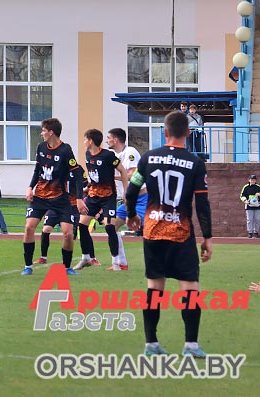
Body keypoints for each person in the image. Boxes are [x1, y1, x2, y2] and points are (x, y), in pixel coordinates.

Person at [125, 110, 213, 358]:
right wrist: (207, 237)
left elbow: (131, 191)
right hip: (181, 233)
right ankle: (191, 345)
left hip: (153, 231)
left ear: (164, 132)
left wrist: (131, 215)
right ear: (188, 132)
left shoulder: (148, 158)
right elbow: (202, 204)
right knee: (190, 288)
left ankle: (151, 343)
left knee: (154, 287)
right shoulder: (196, 163)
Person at [21, 118, 86, 276]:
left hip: (60, 199)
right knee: (29, 227)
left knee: (68, 234)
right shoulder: (41, 147)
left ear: (51, 132)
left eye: (43, 130)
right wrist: (30, 188)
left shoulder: (65, 150)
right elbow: (37, 170)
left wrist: (78, 199)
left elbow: (78, 175)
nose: (41, 133)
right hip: (40, 197)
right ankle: (28, 266)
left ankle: (67, 267)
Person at [73, 129, 129, 272]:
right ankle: (86, 258)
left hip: (108, 197)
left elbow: (123, 171)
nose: (83, 142)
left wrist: (125, 191)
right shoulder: (87, 154)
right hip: (93, 197)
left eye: (85, 139)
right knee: (82, 225)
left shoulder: (108, 155)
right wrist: (88, 188)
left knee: (109, 227)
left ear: (91, 141)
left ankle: (116, 263)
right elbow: (94, 175)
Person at [108, 127, 144, 271]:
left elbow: (132, 174)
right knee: (112, 227)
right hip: (129, 201)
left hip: (143, 198)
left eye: (109, 138)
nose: (107, 141)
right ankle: (120, 263)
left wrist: (112, 177)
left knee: (154, 230)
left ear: (115, 139)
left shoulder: (130, 152)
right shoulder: (114, 155)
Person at [36, 168, 84, 265]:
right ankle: (43, 257)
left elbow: (86, 185)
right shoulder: (57, 167)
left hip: (71, 206)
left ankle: (85, 257)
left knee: (71, 234)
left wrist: (79, 196)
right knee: (46, 229)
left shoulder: (78, 169)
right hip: (55, 205)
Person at [240, 174, 260, 238]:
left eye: (254, 180)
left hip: (258, 206)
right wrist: (245, 201)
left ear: (255, 180)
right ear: (249, 180)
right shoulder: (246, 187)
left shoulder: (258, 187)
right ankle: (250, 232)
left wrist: (259, 195)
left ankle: (256, 232)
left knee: (257, 220)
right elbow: (242, 195)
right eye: (251, 179)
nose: (252, 181)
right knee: (249, 219)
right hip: (249, 206)